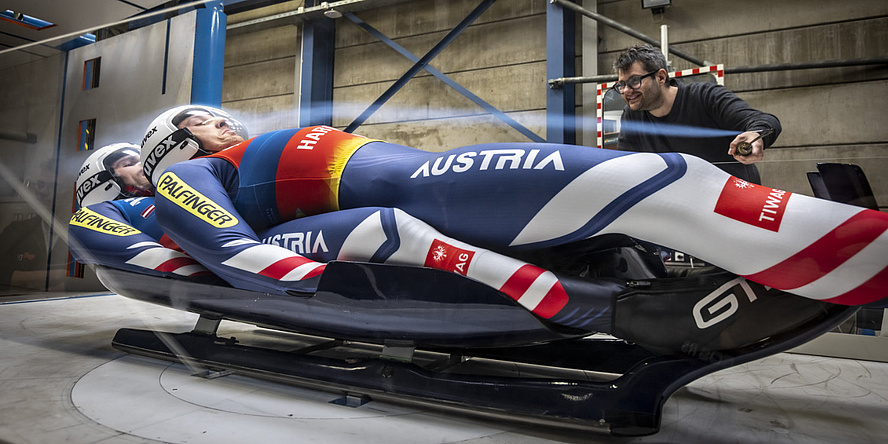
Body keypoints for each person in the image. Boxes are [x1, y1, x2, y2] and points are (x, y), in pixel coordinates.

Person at [139, 105, 887, 317]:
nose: (222, 122)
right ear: (175, 147)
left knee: (668, 185)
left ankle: (851, 256)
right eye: (200, 122)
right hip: (422, 194)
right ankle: (860, 256)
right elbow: (237, 254)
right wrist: (329, 292)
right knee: (660, 181)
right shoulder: (195, 178)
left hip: (431, 183)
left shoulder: (239, 153)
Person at [613, 44, 781, 184]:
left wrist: (756, 134)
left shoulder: (705, 96)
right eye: (621, 84)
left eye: (635, 81)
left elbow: (765, 120)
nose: (627, 90)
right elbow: (627, 164)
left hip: (734, 200)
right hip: (685, 208)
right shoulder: (632, 115)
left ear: (661, 77)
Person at [69, 143, 212, 280]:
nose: (144, 164)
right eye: (129, 163)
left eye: (144, 160)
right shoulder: (114, 211)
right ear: (102, 184)